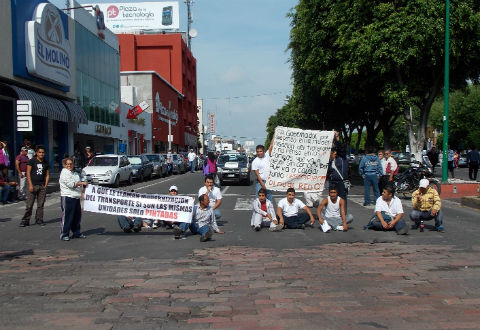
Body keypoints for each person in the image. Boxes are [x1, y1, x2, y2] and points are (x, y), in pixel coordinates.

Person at [19, 145, 50, 227]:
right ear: (36, 153)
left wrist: (45, 185)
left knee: (41, 205)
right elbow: (28, 173)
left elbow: (47, 175)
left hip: (41, 186)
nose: (41, 154)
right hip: (33, 185)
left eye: (43, 152)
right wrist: (30, 185)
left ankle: (39, 219)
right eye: (40, 152)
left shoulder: (45, 163)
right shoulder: (32, 161)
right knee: (29, 205)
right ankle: (25, 220)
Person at [59, 158, 88, 241]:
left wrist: (83, 192)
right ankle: (64, 234)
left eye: (71, 164)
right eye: (67, 164)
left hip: (76, 197)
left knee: (77, 216)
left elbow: (80, 185)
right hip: (67, 197)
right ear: (64, 165)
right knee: (67, 216)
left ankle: (76, 232)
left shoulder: (75, 173)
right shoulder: (64, 173)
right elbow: (71, 184)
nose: (69, 165)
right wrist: (82, 183)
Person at [326, 147, 350, 212]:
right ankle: (334, 213)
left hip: (340, 182)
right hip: (333, 182)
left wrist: (337, 138)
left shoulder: (341, 160)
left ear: (335, 153)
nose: (329, 155)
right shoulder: (331, 162)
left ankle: (343, 213)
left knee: (341, 198)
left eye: (330, 153)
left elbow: (341, 148)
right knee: (332, 198)